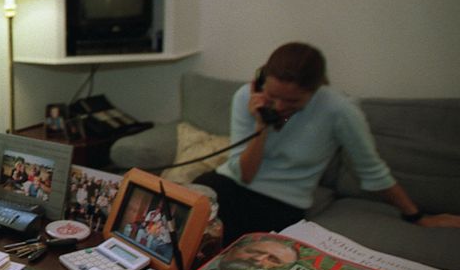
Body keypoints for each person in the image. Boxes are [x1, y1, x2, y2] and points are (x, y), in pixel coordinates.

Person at [193, 42, 460, 246]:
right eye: (274, 97)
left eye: (294, 102)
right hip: (228, 183)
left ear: (316, 90)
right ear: (261, 82)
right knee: (168, 220)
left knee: (214, 250)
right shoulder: (247, 97)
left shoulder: (340, 110)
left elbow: (373, 172)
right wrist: (261, 126)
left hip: (279, 204)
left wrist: (417, 216)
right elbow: (245, 174)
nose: (281, 107)